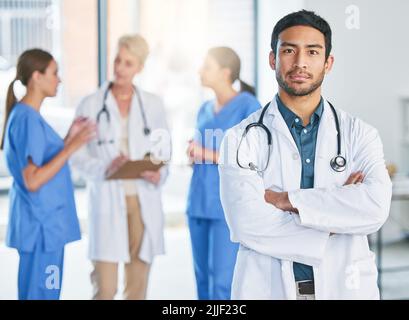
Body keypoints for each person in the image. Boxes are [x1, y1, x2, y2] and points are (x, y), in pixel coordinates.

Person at [218, 10, 392, 300]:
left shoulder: (360, 134)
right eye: (289, 50)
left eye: (312, 52)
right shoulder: (240, 138)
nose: (300, 63)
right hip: (267, 288)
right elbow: (246, 223)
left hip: (345, 288)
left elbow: (374, 208)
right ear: (273, 59)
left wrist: (287, 200)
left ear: (328, 62)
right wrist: (336, 217)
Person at [70, 34, 171, 300]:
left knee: (136, 287)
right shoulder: (91, 104)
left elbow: (164, 151)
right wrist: (105, 167)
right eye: (117, 60)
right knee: (105, 287)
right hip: (107, 199)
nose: (119, 68)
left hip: (142, 199)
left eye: (128, 63)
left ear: (139, 67)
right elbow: (76, 156)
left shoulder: (153, 104)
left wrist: (157, 172)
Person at [1, 48, 96, 300]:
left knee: (48, 292)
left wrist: (69, 139)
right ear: (36, 77)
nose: (60, 79)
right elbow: (32, 180)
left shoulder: (28, 118)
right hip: (41, 229)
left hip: (47, 230)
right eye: (54, 73)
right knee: (41, 294)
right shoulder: (26, 120)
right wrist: (72, 146)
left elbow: (43, 161)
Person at [186, 47, 261, 300]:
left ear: (225, 72)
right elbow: (202, 153)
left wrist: (205, 153)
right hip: (198, 202)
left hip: (226, 207)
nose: (200, 71)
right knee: (202, 279)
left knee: (222, 281)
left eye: (206, 66)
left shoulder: (249, 107)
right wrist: (194, 156)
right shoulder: (203, 108)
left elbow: (254, 158)